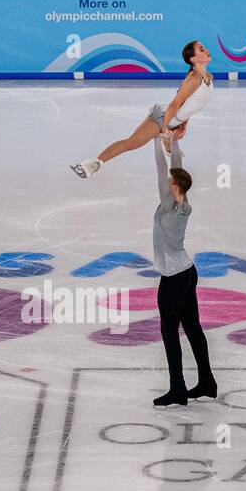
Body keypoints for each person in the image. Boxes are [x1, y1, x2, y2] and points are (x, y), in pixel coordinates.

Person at [70, 41, 214, 179]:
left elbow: (191, 104)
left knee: (172, 143)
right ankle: (92, 165)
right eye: (202, 49)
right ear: (193, 59)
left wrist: (183, 124)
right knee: (132, 142)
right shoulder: (194, 80)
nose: (207, 50)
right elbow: (174, 104)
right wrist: (164, 127)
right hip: (163, 116)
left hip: (174, 120)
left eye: (205, 48)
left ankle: (168, 146)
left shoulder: (208, 78)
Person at [147, 135, 216, 407]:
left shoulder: (168, 208)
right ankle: (207, 382)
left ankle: (178, 388)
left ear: (174, 187)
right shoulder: (183, 203)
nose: (165, 183)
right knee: (192, 328)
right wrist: (172, 141)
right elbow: (175, 169)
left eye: (169, 183)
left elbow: (162, 170)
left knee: (169, 331)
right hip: (188, 271)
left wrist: (155, 141)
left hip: (174, 278)